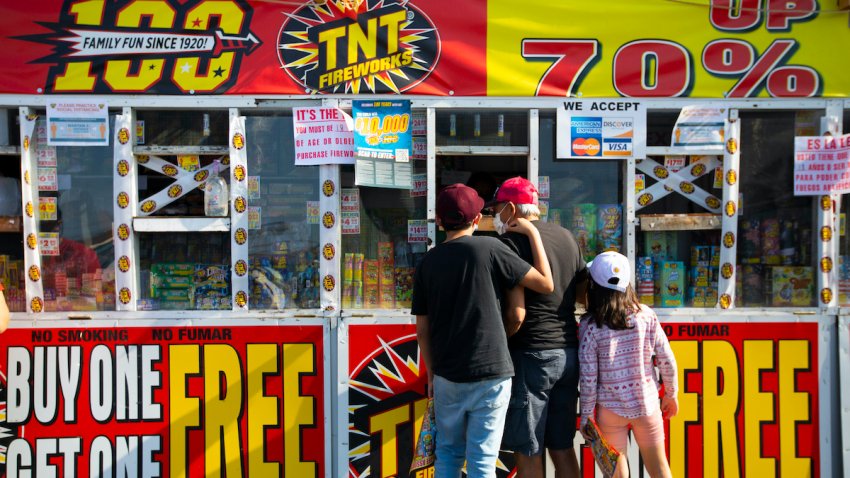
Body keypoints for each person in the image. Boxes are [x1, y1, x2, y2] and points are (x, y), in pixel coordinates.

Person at [412, 183, 554, 478]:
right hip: (492, 373)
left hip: (448, 375)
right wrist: (532, 232)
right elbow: (544, 283)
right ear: (477, 220)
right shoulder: (492, 248)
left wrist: (431, 373)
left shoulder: (428, 262)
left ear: (439, 222)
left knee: (448, 454)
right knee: (483, 460)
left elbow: (422, 330)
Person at [489, 177, 586, 478]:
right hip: (569, 353)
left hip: (531, 356)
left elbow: (517, 315)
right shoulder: (567, 237)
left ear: (510, 208)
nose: (495, 215)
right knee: (562, 446)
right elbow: (583, 294)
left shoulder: (510, 243)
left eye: (496, 209)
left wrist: (498, 342)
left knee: (528, 449)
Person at [578, 251, 679, 478]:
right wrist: (671, 394)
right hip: (647, 405)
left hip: (609, 410)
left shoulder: (590, 327)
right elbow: (666, 359)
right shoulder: (646, 316)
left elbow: (588, 378)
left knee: (616, 474)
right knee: (660, 469)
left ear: (593, 287)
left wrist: (586, 416)